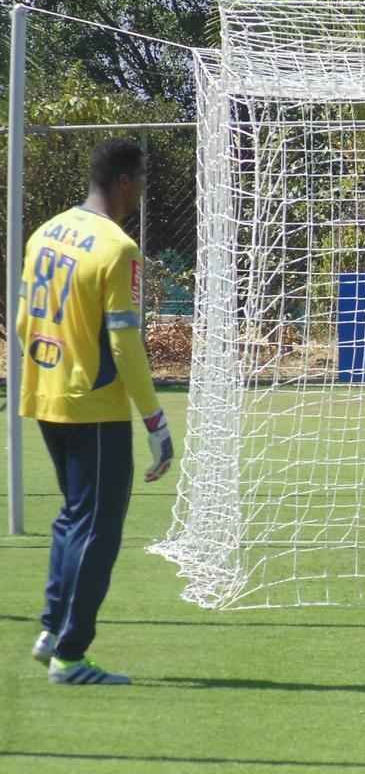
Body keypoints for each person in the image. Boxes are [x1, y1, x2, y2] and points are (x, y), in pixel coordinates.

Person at [18, 138, 175, 684]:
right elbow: (125, 343)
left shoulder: (46, 233)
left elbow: (22, 318)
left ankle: (51, 627)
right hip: (94, 407)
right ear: (126, 182)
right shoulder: (117, 248)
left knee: (72, 518)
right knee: (99, 530)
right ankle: (70, 654)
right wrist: (154, 420)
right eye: (142, 184)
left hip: (46, 394)